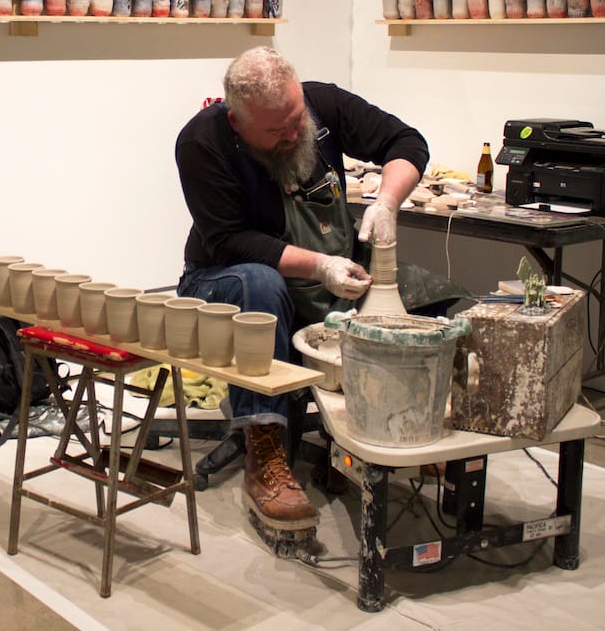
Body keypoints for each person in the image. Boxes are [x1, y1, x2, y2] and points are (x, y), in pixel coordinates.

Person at [174, 47, 428, 533]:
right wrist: (322, 266)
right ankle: (264, 448)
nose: (292, 134)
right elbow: (230, 240)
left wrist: (386, 202)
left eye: (296, 119)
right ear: (236, 121)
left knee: (423, 292)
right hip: (221, 277)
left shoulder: (323, 105)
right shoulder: (202, 141)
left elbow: (407, 142)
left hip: (317, 274)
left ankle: (398, 421)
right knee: (262, 285)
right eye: (276, 130)